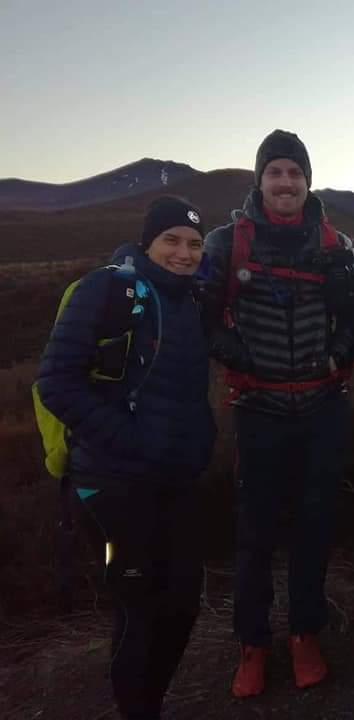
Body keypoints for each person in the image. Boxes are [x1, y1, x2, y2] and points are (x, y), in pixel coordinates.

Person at [36, 196, 216, 720]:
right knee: (137, 610)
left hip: (173, 483)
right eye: (172, 241)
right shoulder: (105, 289)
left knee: (182, 606)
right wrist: (133, 440)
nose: (183, 254)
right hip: (108, 489)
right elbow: (56, 383)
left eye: (194, 245)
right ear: (148, 242)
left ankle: (149, 704)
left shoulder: (191, 302)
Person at [200, 130, 354, 698]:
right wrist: (230, 351)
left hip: (323, 407)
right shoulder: (226, 244)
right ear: (260, 180)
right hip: (257, 409)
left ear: (307, 180)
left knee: (315, 527)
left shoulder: (337, 244)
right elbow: (201, 312)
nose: (286, 182)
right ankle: (252, 644)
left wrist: (341, 351)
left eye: (295, 172)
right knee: (255, 533)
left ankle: (304, 634)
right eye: (276, 173)